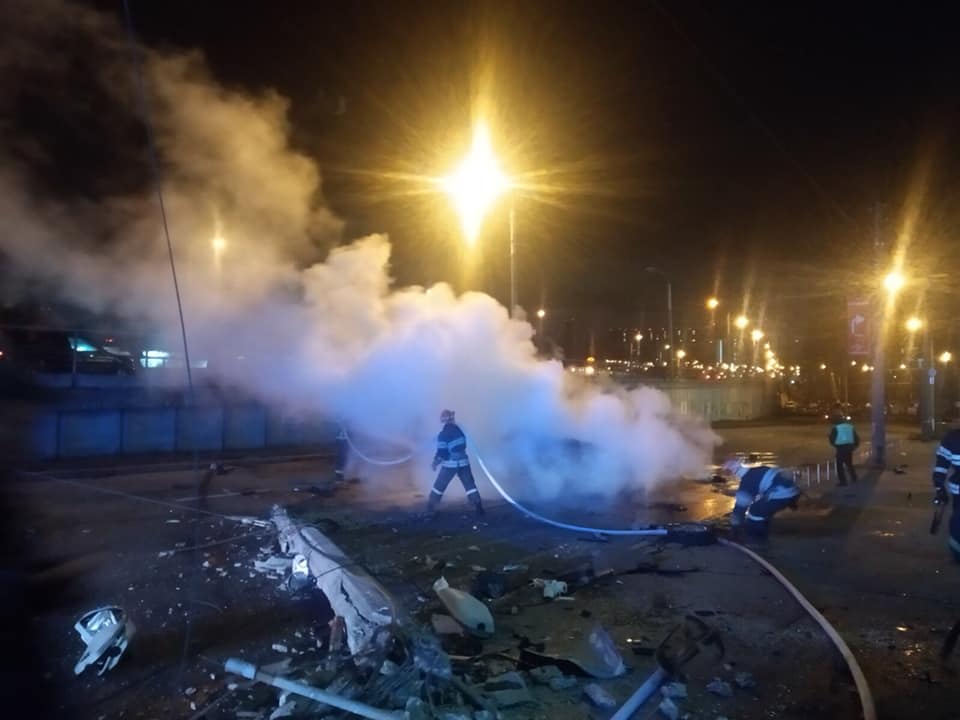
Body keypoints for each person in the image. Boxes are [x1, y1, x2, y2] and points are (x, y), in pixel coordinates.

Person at [722, 456, 800, 543]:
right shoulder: (758, 470)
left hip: (781, 494)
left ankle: (756, 539)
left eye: (729, 472)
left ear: (733, 471)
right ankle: (763, 532)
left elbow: (740, 508)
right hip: (793, 490)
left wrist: (735, 526)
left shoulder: (747, 481)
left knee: (755, 511)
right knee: (762, 507)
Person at [426, 409, 484, 518]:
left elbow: (442, 453)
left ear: (443, 421)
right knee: (470, 485)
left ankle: (431, 507)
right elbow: (461, 445)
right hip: (464, 463)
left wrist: (435, 462)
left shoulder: (443, 434)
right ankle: (478, 507)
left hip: (450, 465)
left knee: (439, 485)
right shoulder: (460, 431)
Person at [932, 428, 960, 562]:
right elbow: (941, 464)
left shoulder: (952, 438)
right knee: (958, 523)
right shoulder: (953, 438)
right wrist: (939, 487)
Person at [829, 413, 860, 486]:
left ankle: (843, 481)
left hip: (841, 447)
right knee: (849, 463)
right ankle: (854, 477)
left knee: (839, 465)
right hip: (849, 447)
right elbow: (856, 437)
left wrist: (835, 444)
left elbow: (832, 439)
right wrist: (855, 446)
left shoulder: (835, 428)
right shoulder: (850, 426)